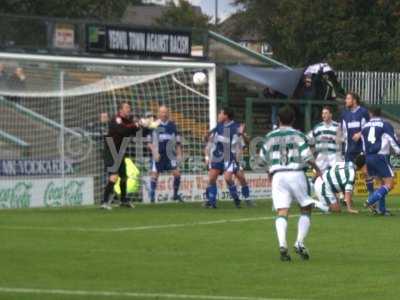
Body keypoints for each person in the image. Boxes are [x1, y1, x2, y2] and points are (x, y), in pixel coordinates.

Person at [260, 105, 321, 261]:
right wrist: (317, 169)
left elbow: (261, 159)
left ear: (278, 119)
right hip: (296, 174)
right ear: (293, 119)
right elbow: (307, 156)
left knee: (282, 211)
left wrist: (269, 172)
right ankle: (299, 242)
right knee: (306, 208)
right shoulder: (298, 134)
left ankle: (282, 244)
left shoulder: (270, 136)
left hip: (278, 176)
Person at [101, 101, 140, 210]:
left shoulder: (128, 121)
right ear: (120, 110)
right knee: (114, 176)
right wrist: (136, 125)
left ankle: (123, 200)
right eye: (126, 107)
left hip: (120, 151)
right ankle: (104, 202)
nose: (129, 109)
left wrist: (144, 125)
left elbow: (134, 130)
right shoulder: (116, 119)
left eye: (129, 107)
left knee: (124, 177)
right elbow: (123, 130)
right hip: (111, 150)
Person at [361, 106, 400, 216]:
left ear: (370, 114)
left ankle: (381, 209)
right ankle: (371, 201)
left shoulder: (365, 127)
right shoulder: (385, 124)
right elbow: (392, 139)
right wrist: (398, 150)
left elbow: (363, 144)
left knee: (382, 183)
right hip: (380, 156)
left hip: (369, 157)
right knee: (390, 184)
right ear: (380, 114)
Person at [204, 107, 243, 208]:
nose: (218, 115)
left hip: (229, 156)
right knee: (212, 178)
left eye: (220, 113)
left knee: (228, 178)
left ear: (225, 116)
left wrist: (241, 133)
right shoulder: (218, 126)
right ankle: (212, 203)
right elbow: (208, 138)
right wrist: (207, 136)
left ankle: (236, 198)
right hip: (217, 155)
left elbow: (241, 139)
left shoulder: (235, 126)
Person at [340, 92, 374, 197]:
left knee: (366, 172)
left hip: (361, 148)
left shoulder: (363, 112)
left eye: (348, 98)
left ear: (354, 100)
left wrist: (360, 133)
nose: (346, 101)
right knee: (348, 175)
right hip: (349, 149)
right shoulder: (344, 114)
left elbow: (370, 127)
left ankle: (371, 196)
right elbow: (344, 131)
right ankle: (346, 198)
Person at [147, 105, 183, 203]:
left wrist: (179, 154)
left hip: (170, 154)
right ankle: (152, 197)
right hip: (158, 154)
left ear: (168, 113)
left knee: (177, 174)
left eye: (165, 112)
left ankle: (175, 195)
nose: (164, 114)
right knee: (155, 174)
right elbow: (149, 143)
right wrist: (154, 153)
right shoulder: (154, 125)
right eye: (162, 112)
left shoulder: (172, 125)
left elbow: (178, 142)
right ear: (158, 113)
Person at [307, 106, 341, 172]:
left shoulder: (338, 126)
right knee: (315, 173)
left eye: (326, 113)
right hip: (321, 154)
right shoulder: (317, 127)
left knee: (338, 172)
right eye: (322, 113)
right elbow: (309, 140)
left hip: (334, 154)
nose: (323, 115)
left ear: (331, 114)